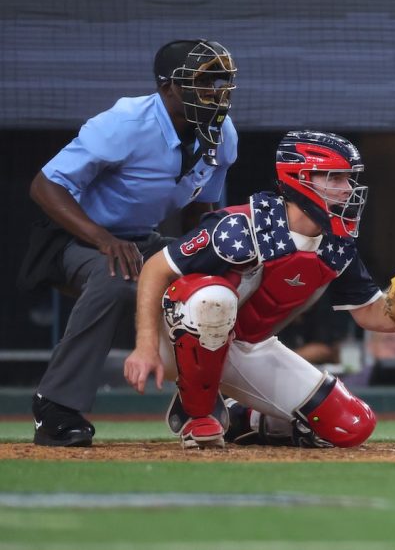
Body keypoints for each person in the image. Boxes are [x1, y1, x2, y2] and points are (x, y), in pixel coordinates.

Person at [123, 130, 395, 449]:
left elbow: (371, 313)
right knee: (212, 298)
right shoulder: (240, 226)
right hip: (176, 342)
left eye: (349, 178)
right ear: (300, 178)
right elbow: (155, 268)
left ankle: (245, 418)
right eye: (334, 177)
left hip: (246, 347)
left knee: (353, 425)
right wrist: (144, 346)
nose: (347, 189)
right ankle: (198, 413)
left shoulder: (336, 243)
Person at [23, 39, 238, 447]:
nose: (215, 91)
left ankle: (204, 395)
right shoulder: (125, 123)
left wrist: (206, 259)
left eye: (221, 81)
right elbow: (44, 186)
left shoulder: (221, 134)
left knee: (223, 275)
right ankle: (54, 407)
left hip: (141, 240)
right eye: (203, 81)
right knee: (117, 277)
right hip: (75, 237)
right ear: (168, 87)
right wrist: (104, 240)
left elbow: (201, 210)